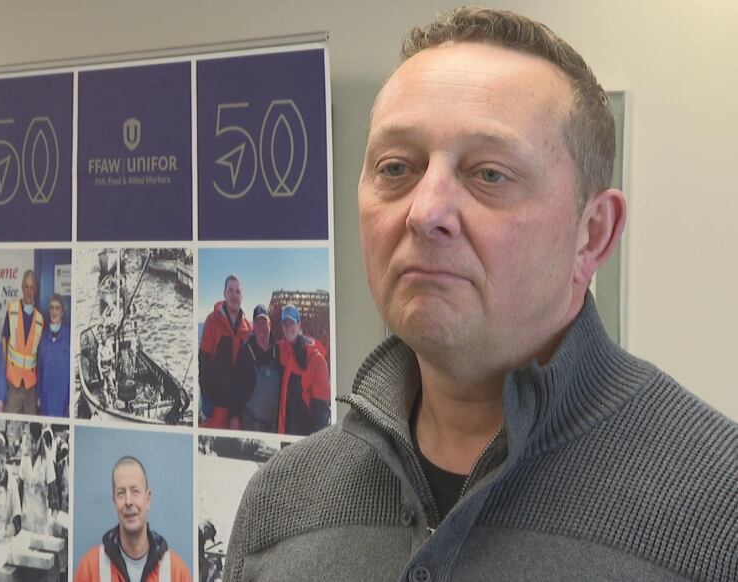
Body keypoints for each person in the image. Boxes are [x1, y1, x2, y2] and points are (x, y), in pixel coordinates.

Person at [225, 7, 738, 581]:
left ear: (592, 233)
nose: (425, 212)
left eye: (489, 174)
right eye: (396, 168)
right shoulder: (280, 507)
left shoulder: (719, 511)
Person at [75, 455, 191, 582]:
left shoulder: (177, 573)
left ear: (148, 499)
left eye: (135, 491)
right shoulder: (89, 569)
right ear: (114, 502)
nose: (128, 501)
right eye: (121, 493)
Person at [198, 274, 251, 429]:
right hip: (215, 406)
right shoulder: (212, 321)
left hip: (237, 409)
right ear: (224, 293)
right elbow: (204, 361)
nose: (234, 295)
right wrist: (206, 395)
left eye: (238, 291)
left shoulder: (248, 328)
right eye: (231, 290)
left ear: (242, 296)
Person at [275, 304, 330, 436]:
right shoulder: (280, 349)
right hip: (283, 431)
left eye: (292, 323)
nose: (288, 328)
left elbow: (321, 412)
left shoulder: (315, 360)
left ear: (299, 325)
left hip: (302, 436)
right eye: (285, 324)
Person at [2, 269, 45, 415]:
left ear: (36, 290)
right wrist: (4, 370)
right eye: (26, 287)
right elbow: (4, 339)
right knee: (11, 419)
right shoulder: (11, 310)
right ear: (22, 288)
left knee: (30, 421)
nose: (29, 291)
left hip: (30, 385)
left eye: (32, 287)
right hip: (13, 381)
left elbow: (40, 353)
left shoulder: (40, 319)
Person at [234, 305, 282, 433]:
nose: (261, 327)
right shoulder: (245, 351)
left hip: (273, 425)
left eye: (264, 322)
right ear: (253, 327)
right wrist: (235, 417)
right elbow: (235, 387)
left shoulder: (278, 351)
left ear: (270, 325)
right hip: (250, 422)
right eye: (258, 323)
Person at [18, 423, 57, 535]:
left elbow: (53, 491)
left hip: (41, 521)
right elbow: (19, 488)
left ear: (41, 439)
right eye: (31, 441)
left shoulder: (47, 457)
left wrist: (53, 518)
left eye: (36, 442)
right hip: (26, 520)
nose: (33, 446)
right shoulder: (24, 456)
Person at [37, 293, 71, 417]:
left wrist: (70, 400)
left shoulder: (69, 337)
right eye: (52, 307)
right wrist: (39, 395)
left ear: (62, 312)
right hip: (46, 400)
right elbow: (40, 369)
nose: (54, 311)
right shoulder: (44, 336)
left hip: (62, 401)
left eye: (57, 308)